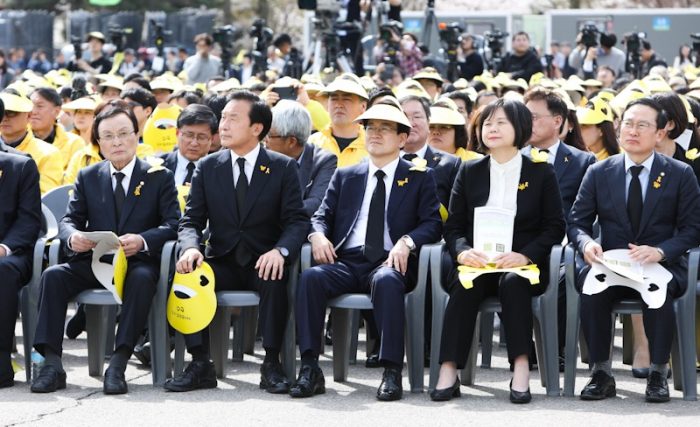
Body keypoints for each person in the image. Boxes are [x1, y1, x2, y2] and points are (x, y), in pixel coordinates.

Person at [291, 98, 441, 401]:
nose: (374, 133)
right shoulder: (347, 174)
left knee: (386, 281)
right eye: (370, 127)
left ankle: (390, 371)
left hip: (390, 261)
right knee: (311, 278)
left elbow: (433, 223)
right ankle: (309, 367)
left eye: (384, 129)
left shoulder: (418, 176)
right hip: (347, 260)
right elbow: (321, 216)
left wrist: (406, 241)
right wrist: (317, 237)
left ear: (402, 138)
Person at [31, 101, 180, 394]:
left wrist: (143, 240)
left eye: (124, 133)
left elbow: (173, 223)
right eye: (108, 136)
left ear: (138, 135)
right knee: (54, 275)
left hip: (137, 262)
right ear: (98, 142)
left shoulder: (158, 176)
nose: (117, 142)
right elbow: (70, 219)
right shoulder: (89, 176)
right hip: (95, 260)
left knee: (140, 278)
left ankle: (119, 362)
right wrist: (73, 236)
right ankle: (51, 363)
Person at [166, 91, 309, 394]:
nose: (224, 125)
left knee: (275, 276)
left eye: (233, 118)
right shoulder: (208, 166)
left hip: (263, 259)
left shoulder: (283, 167)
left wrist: (281, 250)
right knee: (189, 273)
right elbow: (191, 221)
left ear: (257, 128)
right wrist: (191, 246)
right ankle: (201, 363)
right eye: (224, 118)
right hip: (222, 259)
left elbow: (297, 221)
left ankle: (271, 363)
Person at [432, 99, 565, 403]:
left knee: (514, 282)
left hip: (521, 263)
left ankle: (520, 366)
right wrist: (464, 252)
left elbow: (555, 226)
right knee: (467, 283)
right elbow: (453, 227)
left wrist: (526, 255)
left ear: (520, 127)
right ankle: (449, 368)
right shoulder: (469, 170)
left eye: (501, 122)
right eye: (487, 123)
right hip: (477, 261)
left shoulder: (541, 172)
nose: (492, 128)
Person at [569, 97, 700, 403]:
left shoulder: (681, 174)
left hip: (661, 264)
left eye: (642, 125)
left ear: (660, 133)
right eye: (627, 123)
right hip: (612, 264)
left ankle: (657, 373)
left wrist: (662, 251)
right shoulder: (599, 171)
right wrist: (587, 243)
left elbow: (694, 229)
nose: (632, 130)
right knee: (592, 290)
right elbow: (576, 222)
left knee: (659, 292)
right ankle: (600, 372)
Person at [0, 97, 42, 389]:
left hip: (10, 253)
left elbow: (29, 221)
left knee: (1, 270)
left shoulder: (19, 165)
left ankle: (1, 358)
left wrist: (3, 247)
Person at [522, 89, 596, 219]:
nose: (527, 123)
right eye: (524, 117)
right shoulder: (516, 158)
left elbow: (588, 214)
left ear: (557, 121)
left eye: (533, 117)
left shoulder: (582, 162)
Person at [266, 100, 336, 218]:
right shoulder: (263, 156)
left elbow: (316, 203)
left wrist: (271, 212)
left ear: (291, 141)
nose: (264, 140)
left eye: (269, 135)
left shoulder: (324, 161)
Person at [400, 94, 461, 210]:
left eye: (417, 117)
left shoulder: (450, 165)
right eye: (404, 117)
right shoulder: (383, 161)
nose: (411, 123)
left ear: (428, 123)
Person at [0, 90, 62, 194]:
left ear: (29, 115)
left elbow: (45, 197)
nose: (4, 118)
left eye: (11, 112)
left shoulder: (48, 153)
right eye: (1, 112)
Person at [308, 73, 368, 167]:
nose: (339, 105)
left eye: (346, 99)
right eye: (334, 99)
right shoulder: (313, 143)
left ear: (363, 107)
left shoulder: (372, 147)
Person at [29, 87, 85, 170]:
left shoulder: (74, 143)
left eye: (40, 106)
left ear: (56, 111)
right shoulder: (17, 139)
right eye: (30, 105)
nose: (33, 111)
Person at [161, 104, 217, 186]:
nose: (194, 143)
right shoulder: (159, 166)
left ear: (211, 139)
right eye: (189, 135)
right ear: (177, 133)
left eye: (201, 137)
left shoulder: (219, 171)